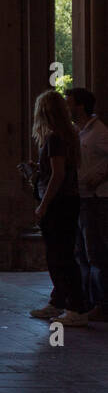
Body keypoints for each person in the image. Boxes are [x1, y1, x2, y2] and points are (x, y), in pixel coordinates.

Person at [28, 90, 87, 325]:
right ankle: (59, 301)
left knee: (59, 256)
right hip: (68, 201)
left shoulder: (53, 138)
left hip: (58, 203)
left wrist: (43, 205)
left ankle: (75, 307)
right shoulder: (69, 135)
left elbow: (58, 175)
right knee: (61, 254)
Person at [67, 88, 108, 321]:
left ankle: (102, 304)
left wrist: (100, 176)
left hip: (96, 199)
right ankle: (85, 300)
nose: (66, 107)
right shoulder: (77, 131)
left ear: (80, 106)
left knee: (96, 253)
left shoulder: (100, 132)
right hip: (80, 198)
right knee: (81, 252)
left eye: (69, 103)